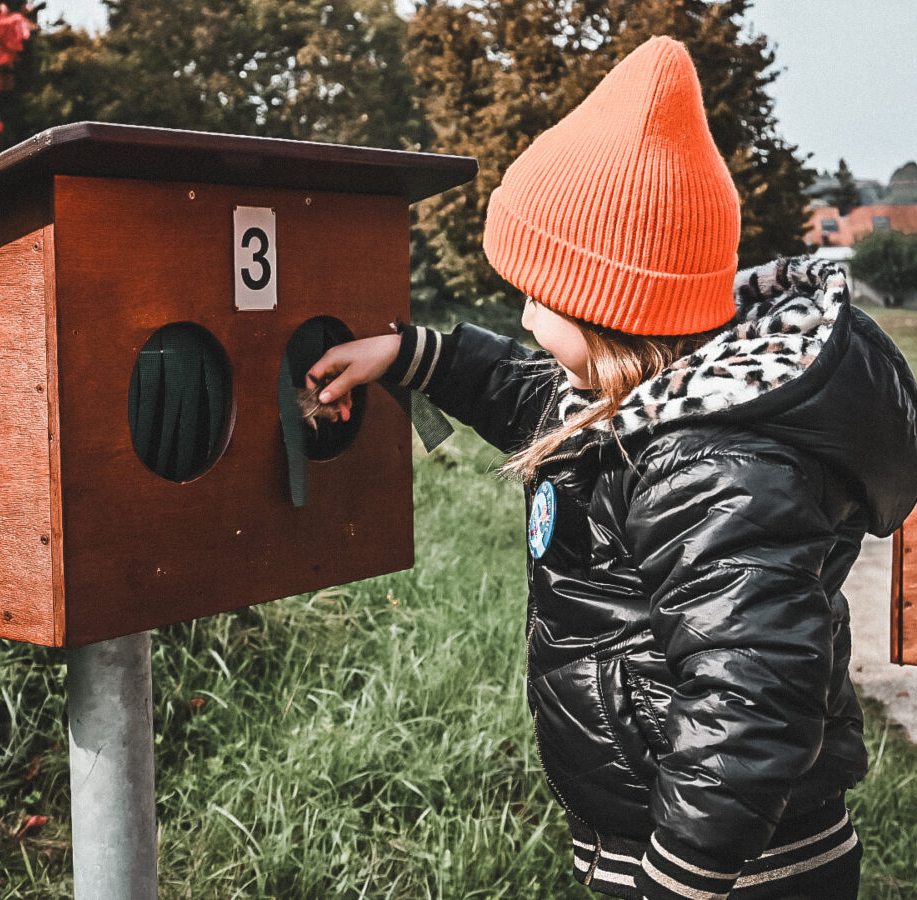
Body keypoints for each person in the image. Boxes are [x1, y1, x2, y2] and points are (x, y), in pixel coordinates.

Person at [308, 36, 917, 900]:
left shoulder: (713, 466)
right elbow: (531, 399)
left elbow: (752, 703)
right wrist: (416, 356)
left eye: (538, 293)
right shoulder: (638, 393)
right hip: (660, 839)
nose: (522, 312)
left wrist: (682, 876)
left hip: (734, 870)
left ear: (608, 305)